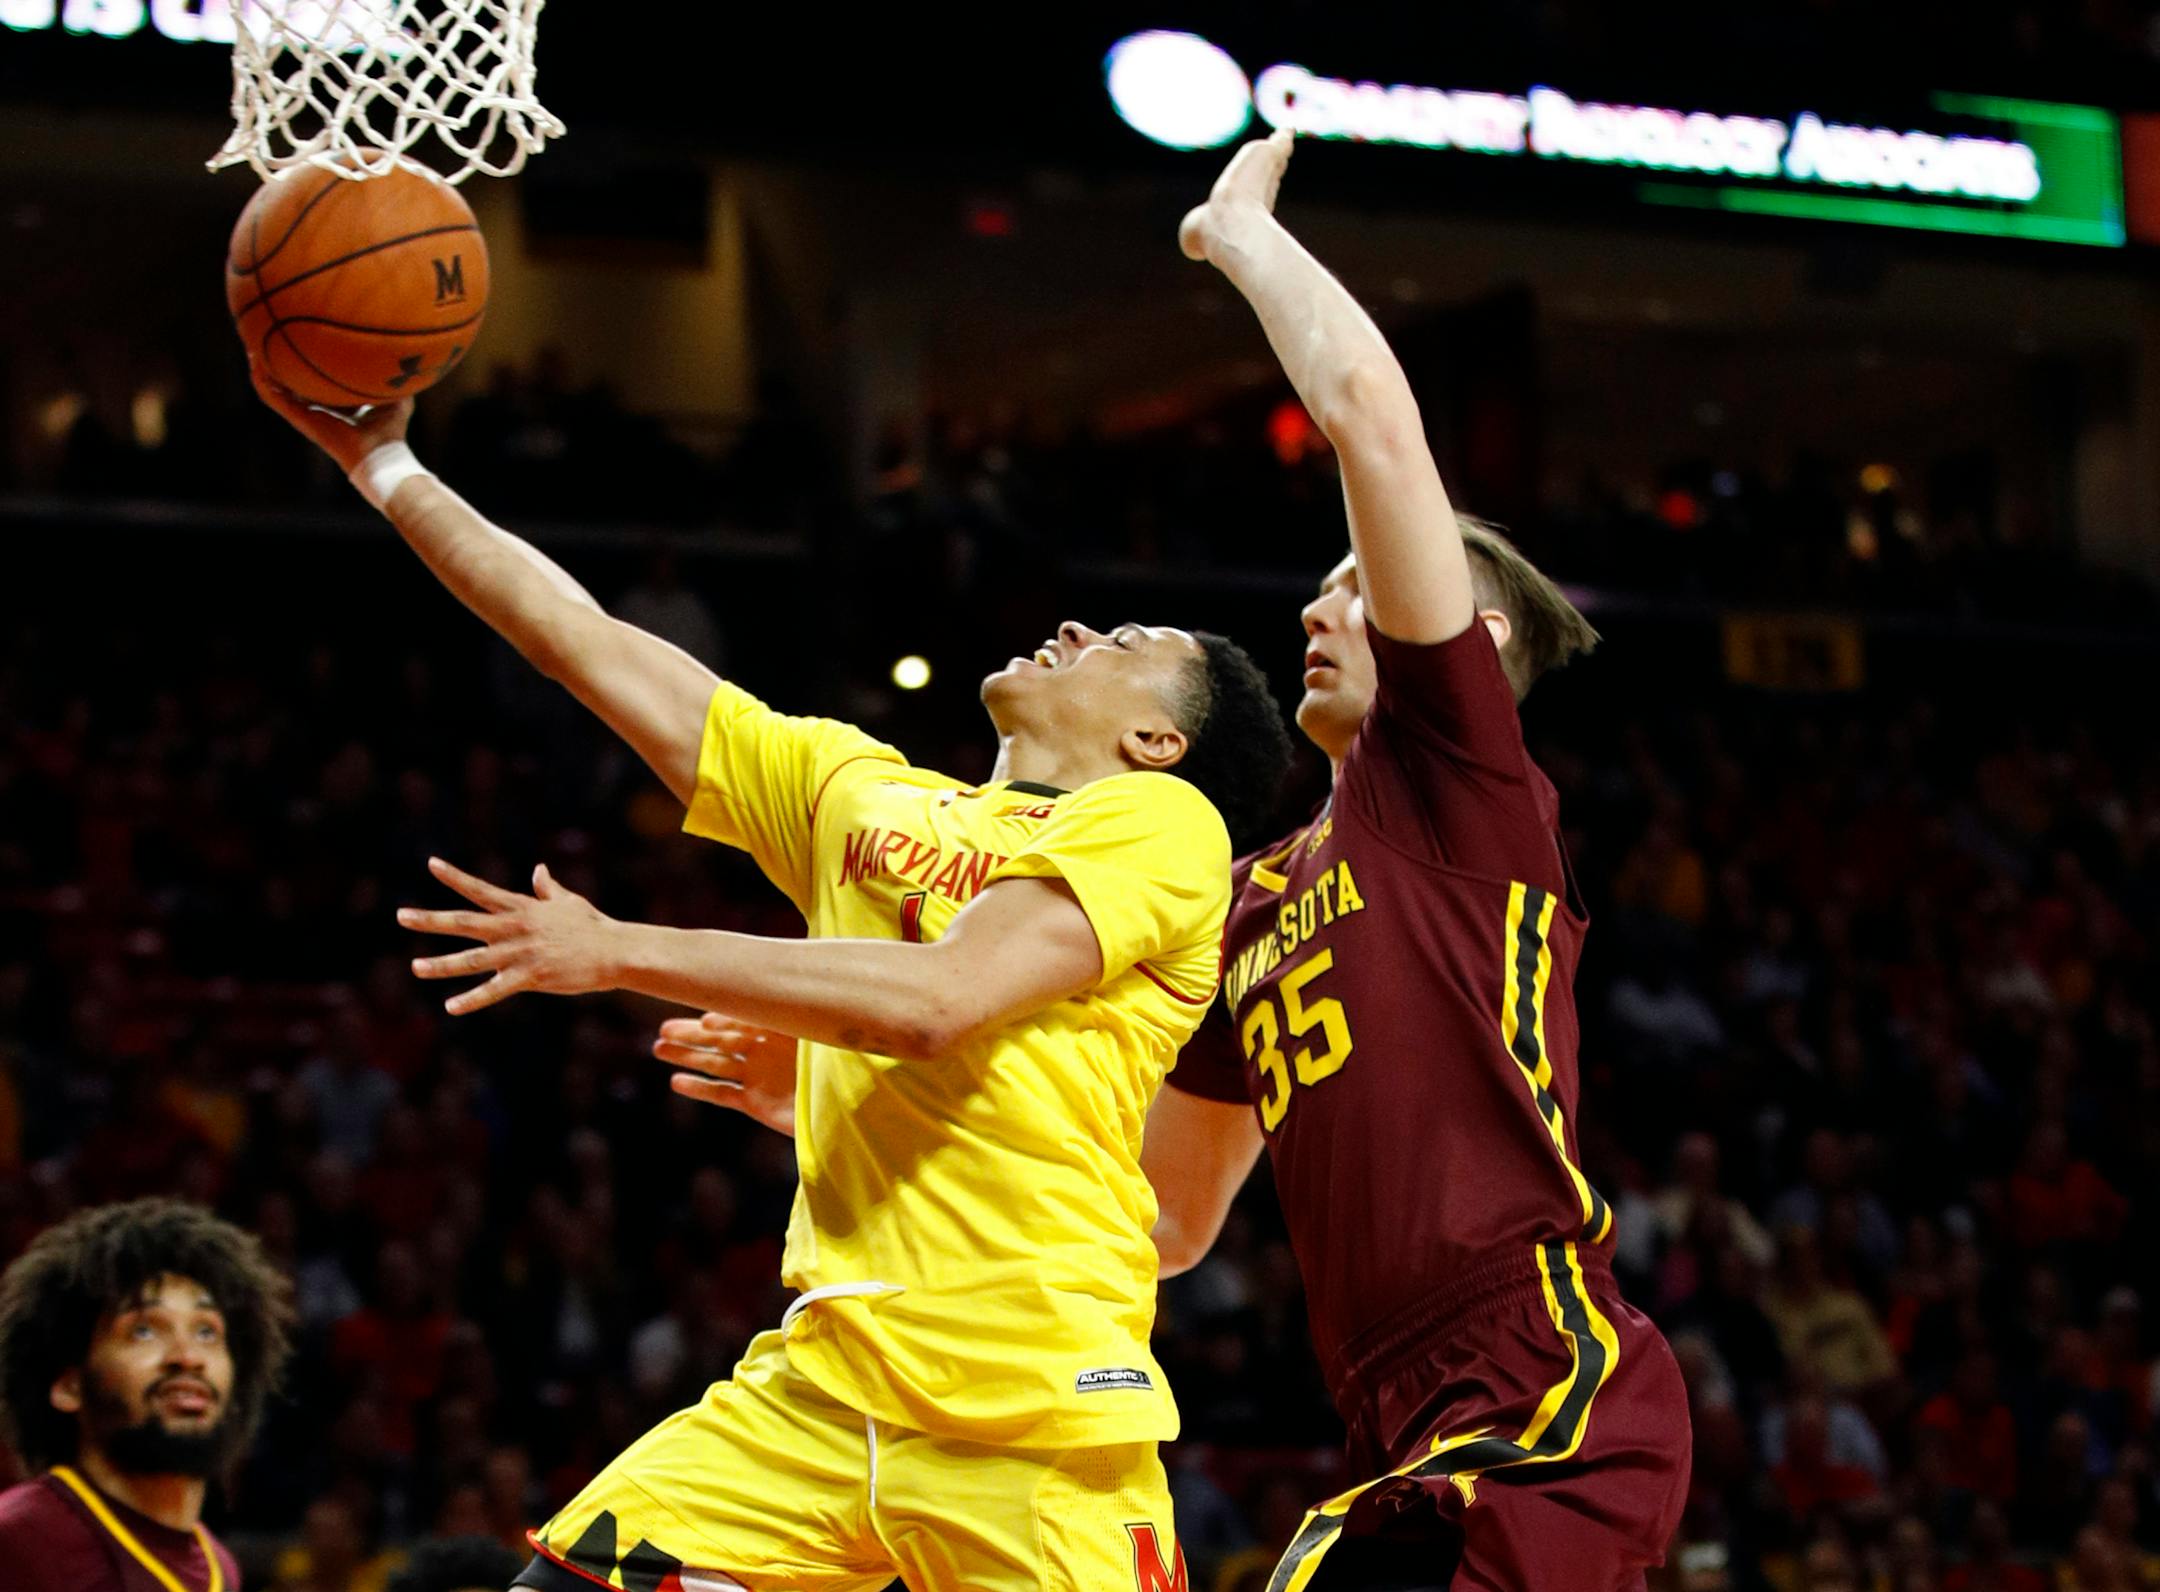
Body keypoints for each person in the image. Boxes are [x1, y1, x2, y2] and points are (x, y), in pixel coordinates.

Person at [250, 365, 1293, 1592]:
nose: (1076, 630)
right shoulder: (861, 789)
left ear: (1158, 744)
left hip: (1036, 1421)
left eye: (1122, 645)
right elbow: (580, 640)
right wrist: (385, 468)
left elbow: (936, 1000)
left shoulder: (1161, 827)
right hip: (819, 1389)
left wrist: (619, 949)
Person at [1141, 126, 1694, 1592]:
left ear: (1476, 641)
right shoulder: (1245, 898)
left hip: (1539, 1379)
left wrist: (1239, 235)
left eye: (1354, 589)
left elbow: (1374, 427)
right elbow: (1169, 1219)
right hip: (1383, 1414)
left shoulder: (1454, 786)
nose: (1319, 614)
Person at [0, 1197, 296, 1591]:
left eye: (206, 1331)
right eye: (144, 1330)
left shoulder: (218, 1568)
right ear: (69, 1385)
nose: (187, 1357)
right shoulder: (22, 1539)